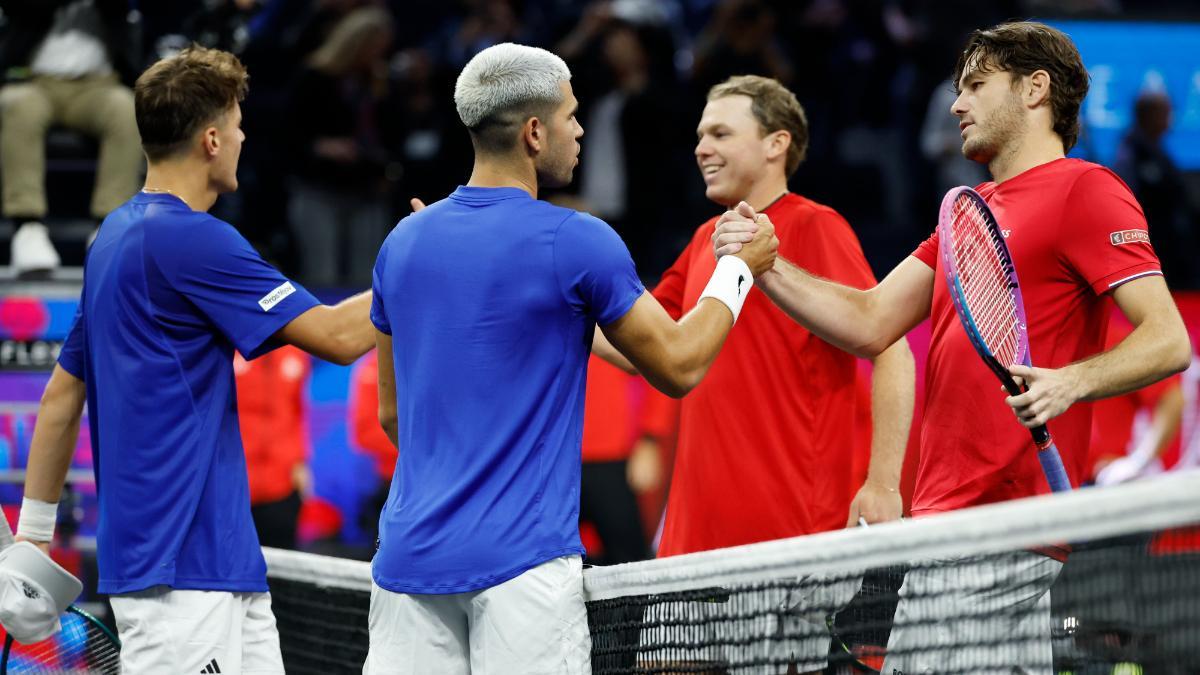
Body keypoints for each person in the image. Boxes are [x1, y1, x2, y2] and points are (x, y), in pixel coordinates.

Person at [712, 21, 1192, 672]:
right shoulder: (965, 211)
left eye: (975, 85)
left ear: (1035, 88)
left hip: (1001, 522)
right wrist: (765, 264)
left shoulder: (1087, 189)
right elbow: (869, 319)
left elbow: (1167, 339)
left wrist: (1070, 381)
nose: (956, 104)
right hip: (946, 520)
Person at [365, 42, 777, 674]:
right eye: (572, 115)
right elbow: (680, 365)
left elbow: (393, 417)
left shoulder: (402, 243)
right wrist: (737, 270)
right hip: (522, 572)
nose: (580, 130)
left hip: (406, 565)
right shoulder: (576, 239)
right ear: (535, 133)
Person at [16, 46, 376, 673]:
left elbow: (61, 396)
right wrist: (418, 260)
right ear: (211, 140)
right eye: (237, 125)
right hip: (179, 584)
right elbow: (339, 338)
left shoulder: (113, 240)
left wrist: (33, 537)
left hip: (222, 568)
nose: (242, 138)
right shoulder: (192, 239)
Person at [596, 74, 915, 672]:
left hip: (787, 544)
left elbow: (891, 348)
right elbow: (640, 344)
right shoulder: (703, 240)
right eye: (700, 135)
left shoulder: (815, 225)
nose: (701, 147)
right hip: (692, 544)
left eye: (720, 133)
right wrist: (535, 298)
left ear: (776, 143)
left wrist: (883, 483)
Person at [0, 0, 144, 277]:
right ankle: (27, 227)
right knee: (18, 106)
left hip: (99, 84)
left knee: (126, 109)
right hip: (36, 80)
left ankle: (109, 230)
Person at [234, 345, 313, 550]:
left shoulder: (295, 353)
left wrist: (299, 461)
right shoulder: (226, 349)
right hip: (234, 480)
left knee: (281, 557)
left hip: (282, 483)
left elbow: (297, 411)